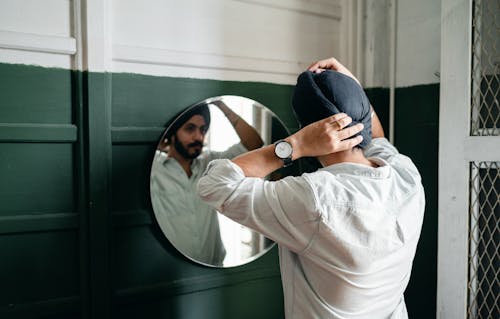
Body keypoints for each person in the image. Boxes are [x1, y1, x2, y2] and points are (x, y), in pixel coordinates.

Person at [197, 58, 425, 318]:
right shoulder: (406, 176)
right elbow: (379, 139)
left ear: (307, 129)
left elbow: (214, 185)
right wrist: (351, 89)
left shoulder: (314, 198)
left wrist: (296, 145)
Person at [150, 100, 263, 265]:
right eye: (190, 129)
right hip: (172, 269)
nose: (199, 137)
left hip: (214, 267)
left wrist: (222, 106)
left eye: (203, 130)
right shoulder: (155, 169)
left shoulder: (211, 163)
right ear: (172, 134)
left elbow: (254, 144)